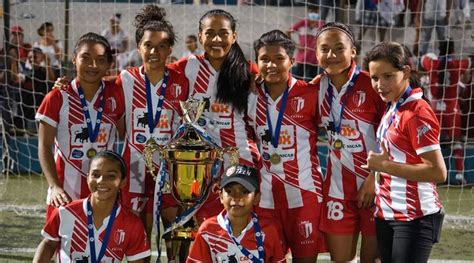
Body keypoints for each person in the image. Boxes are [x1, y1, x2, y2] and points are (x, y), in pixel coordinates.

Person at [169, 9, 260, 224]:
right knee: (204, 227)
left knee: (239, 224)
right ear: (200, 36)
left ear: (234, 36)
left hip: (238, 156)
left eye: (223, 33)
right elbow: (152, 75)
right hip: (199, 163)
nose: (216, 39)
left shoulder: (248, 71)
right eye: (209, 33)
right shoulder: (187, 67)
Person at [116, 5, 189, 261]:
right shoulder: (125, 79)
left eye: (161, 46)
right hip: (134, 168)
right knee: (139, 236)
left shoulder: (182, 81)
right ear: (139, 48)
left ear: (170, 49)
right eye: (148, 45)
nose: (154, 51)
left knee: (177, 233)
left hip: (171, 170)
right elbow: (94, 88)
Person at [363, 41, 447, 263]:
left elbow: (438, 172)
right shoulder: (394, 105)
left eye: (388, 76)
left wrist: (383, 167)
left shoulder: (417, 112)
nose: (380, 84)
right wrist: (375, 176)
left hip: (414, 218)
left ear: (406, 71)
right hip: (387, 214)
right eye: (374, 78)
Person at [310, 22, 383, 263]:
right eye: (324, 49)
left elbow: (394, 136)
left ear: (353, 51)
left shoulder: (374, 85)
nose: (331, 55)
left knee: (370, 260)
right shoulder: (314, 89)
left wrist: (374, 178)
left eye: (339, 48)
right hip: (336, 190)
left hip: (376, 187)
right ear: (316, 53)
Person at [36, 32, 125, 221]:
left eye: (100, 60)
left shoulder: (117, 94)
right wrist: (54, 186)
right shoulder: (57, 97)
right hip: (65, 192)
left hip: (104, 192)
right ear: (74, 59)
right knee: (59, 246)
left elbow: (126, 135)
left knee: (101, 247)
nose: (93, 65)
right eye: (86, 58)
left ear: (109, 64)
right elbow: (44, 146)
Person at [33, 150, 151, 263]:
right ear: (87, 177)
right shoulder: (65, 212)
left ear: (123, 182)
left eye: (111, 176)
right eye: (95, 174)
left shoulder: (132, 224)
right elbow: (49, 243)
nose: (101, 181)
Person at [187, 164, 286, 263]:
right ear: (221, 196)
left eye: (245, 191)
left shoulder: (268, 230)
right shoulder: (208, 230)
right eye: (229, 191)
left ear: (256, 198)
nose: (236, 197)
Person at [421, 39, 470, 185]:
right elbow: (469, 61)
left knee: (431, 143)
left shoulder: (431, 63)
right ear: (453, 51)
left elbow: (422, 59)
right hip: (451, 110)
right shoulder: (457, 64)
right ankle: (460, 175)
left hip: (434, 110)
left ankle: (432, 176)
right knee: (456, 143)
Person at [286, 5, 324, 82]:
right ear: (308, 12)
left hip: (315, 60)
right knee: (295, 80)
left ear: (318, 12)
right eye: (311, 11)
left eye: (315, 12)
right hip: (302, 59)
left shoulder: (321, 25)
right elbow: (287, 32)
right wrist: (296, 45)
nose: (313, 14)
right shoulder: (302, 23)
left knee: (312, 82)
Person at [22, 47, 55, 134]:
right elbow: (16, 78)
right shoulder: (26, 72)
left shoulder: (44, 71)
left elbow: (51, 80)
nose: (32, 59)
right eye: (30, 57)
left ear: (41, 58)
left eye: (35, 57)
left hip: (43, 111)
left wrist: (48, 63)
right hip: (29, 112)